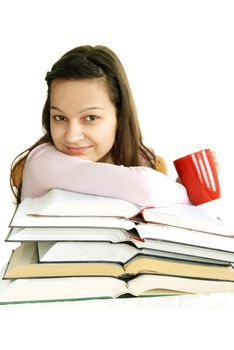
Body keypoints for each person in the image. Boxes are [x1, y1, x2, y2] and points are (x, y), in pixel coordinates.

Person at [10, 45, 189, 207]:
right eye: (60, 117)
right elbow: (148, 189)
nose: (72, 136)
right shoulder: (43, 162)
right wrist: (186, 192)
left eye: (90, 117)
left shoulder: (143, 160)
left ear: (119, 115)